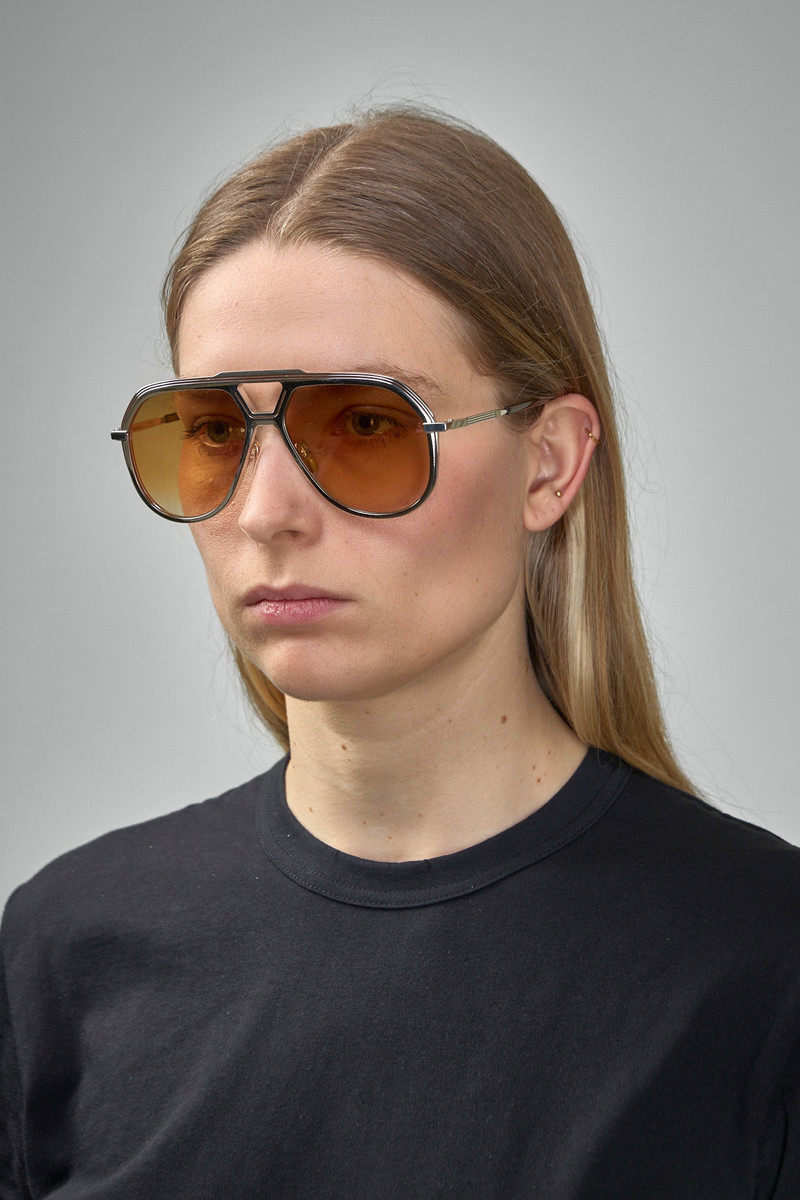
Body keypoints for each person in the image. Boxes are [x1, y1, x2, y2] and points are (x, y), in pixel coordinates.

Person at [1, 107, 798, 1198]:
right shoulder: (64, 949)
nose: (265, 513)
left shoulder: (763, 968)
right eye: (216, 432)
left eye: (366, 424)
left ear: (549, 464)